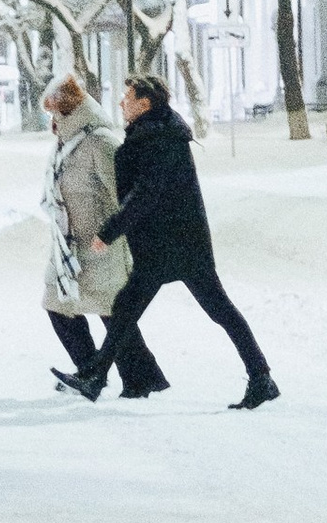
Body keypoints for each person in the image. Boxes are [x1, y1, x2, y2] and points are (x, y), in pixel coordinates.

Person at [94, 74, 279, 410]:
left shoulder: (158, 138)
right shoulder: (155, 133)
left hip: (172, 243)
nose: (121, 102)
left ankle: (95, 376)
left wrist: (109, 231)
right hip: (175, 241)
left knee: (207, 310)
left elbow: (145, 194)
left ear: (144, 104)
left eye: (127, 97)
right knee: (131, 308)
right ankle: (261, 377)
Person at [38, 76, 135, 396]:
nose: (52, 120)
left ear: (68, 110)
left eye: (54, 113)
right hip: (69, 244)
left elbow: (124, 195)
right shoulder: (67, 142)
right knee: (58, 304)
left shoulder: (99, 141)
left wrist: (113, 233)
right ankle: (91, 370)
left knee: (111, 313)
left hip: (101, 244)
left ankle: (139, 377)